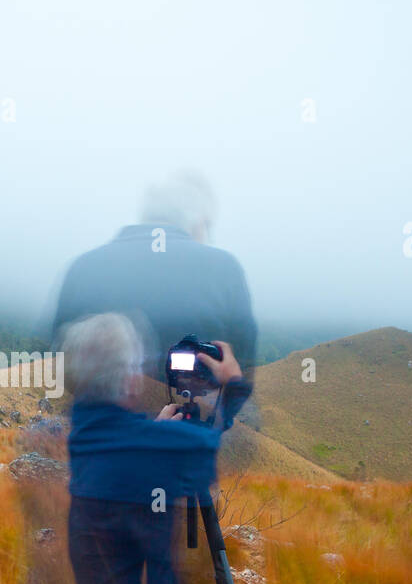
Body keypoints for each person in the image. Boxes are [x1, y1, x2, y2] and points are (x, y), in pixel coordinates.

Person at [60, 312, 246, 584]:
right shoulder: (149, 444)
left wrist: (160, 434)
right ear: (128, 378)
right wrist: (233, 386)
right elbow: (208, 444)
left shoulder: (85, 434)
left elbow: (128, 449)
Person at [51, 170, 257, 423]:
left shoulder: (82, 267)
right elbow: (244, 366)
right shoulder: (224, 269)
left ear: (146, 215)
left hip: (90, 436)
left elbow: (59, 361)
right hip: (197, 438)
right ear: (198, 221)